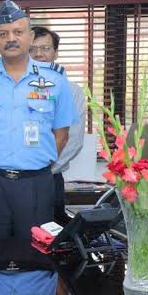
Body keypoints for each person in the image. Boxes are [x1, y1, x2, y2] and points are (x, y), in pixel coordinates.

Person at [0, 0, 77, 239]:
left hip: (36, 184)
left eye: (18, 32)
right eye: (3, 34)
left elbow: (62, 135)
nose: (10, 38)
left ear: (30, 37)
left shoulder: (56, 79)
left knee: (36, 252)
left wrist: (36, 164)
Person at [30, 26, 87, 221]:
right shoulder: (13, 89)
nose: (38, 54)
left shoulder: (72, 91)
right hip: (16, 180)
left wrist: (44, 169)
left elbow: (73, 140)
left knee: (50, 233)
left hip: (49, 177)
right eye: (32, 49)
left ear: (55, 52)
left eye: (45, 48)